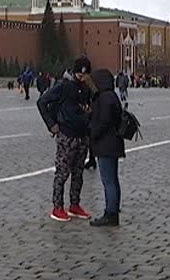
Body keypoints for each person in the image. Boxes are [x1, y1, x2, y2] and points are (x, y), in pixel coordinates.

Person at [37, 56, 94, 222]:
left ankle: (74, 205)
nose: (82, 77)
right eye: (80, 74)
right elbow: (42, 102)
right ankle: (57, 207)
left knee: (78, 173)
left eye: (85, 75)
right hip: (66, 136)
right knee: (62, 173)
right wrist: (52, 124)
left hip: (82, 136)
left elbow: (90, 106)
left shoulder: (87, 88)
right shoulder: (63, 86)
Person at [88, 68, 125, 227]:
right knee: (113, 180)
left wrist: (92, 133)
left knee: (108, 180)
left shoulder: (104, 98)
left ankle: (110, 213)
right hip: (113, 143)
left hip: (105, 144)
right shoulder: (111, 96)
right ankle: (113, 211)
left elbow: (103, 122)